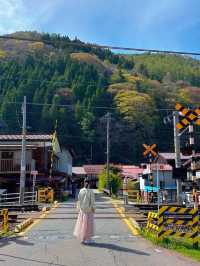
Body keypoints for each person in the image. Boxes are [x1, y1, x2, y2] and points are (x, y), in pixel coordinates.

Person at [74, 179, 95, 244]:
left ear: (84, 183)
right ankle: (88, 239)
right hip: (88, 210)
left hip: (82, 210)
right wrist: (93, 208)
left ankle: (82, 238)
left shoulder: (81, 191)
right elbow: (92, 201)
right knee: (88, 225)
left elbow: (79, 200)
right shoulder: (91, 191)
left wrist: (78, 209)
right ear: (89, 184)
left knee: (81, 224)